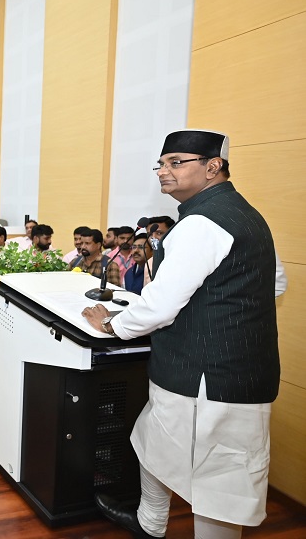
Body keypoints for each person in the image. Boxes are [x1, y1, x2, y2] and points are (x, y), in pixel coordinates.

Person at [82, 130, 287, 539]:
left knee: (219, 484)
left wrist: (110, 324)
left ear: (213, 167)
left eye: (177, 161)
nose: (163, 171)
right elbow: (276, 281)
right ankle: (150, 522)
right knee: (153, 441)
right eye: (161, 163)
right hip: (223, 368)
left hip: (208, 378)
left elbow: (160, 305)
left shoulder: (203, 223)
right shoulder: (241, 213)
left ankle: (155, 524)